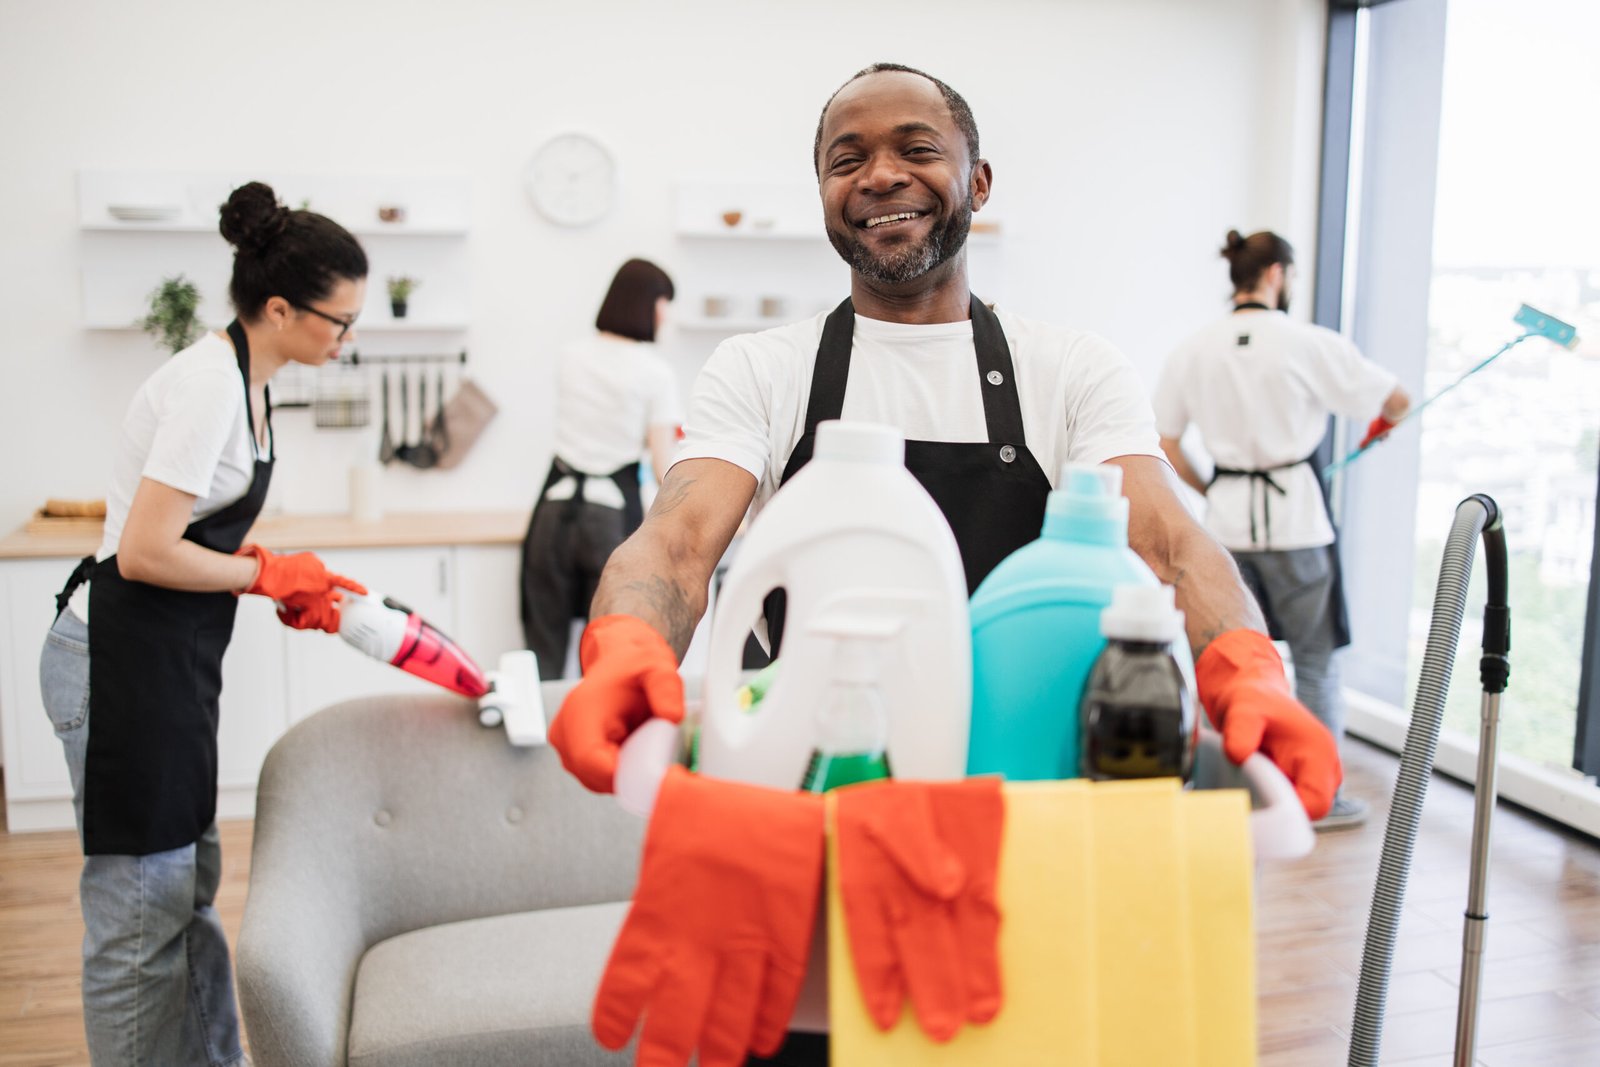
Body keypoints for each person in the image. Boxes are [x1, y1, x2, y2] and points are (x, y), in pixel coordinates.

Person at [548, 64, 1347, 1067]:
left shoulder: (1069, 368)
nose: (879, 174)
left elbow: (1169, 542)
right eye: (847, 159)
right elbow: (675, 540)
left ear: (976, 182)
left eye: (915, 148)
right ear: (826, 197)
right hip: (813, 817)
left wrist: (1246, 668)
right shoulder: (765, 368)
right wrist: (621, 647)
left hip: (1023, 817)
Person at [38, 181, 369, 1065]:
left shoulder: (253, 387)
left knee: (188, 889)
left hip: (172, 659)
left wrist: (287, 575)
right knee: (138, 915)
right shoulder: (209, 385)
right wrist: (264, 575)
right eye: (338, 323)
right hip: (118, 657)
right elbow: (145, 551)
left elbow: (200, 529)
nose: (345, 341)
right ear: (278, 308)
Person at [1153, 228, 1410, 829]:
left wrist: (1213, 486)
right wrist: (1380, 427)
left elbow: (1164, 441)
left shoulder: (1193, 349)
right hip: (1297, 523)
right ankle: (1320, 796)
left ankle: (1227, 792)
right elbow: (1397, 399)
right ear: (1276, 275)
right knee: (1316, 661)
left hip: (1227, 527)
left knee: (1225, 660)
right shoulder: (1307, 342)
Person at [520, 258, 681, 679]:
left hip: (553, 514)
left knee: (543, 647)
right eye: (664, 302)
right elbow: (665, 467)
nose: (666, 314)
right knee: (607, 650)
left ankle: (539, 737)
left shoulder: (570, 356)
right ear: (648, 305)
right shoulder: (654, 373)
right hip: (609, 520)